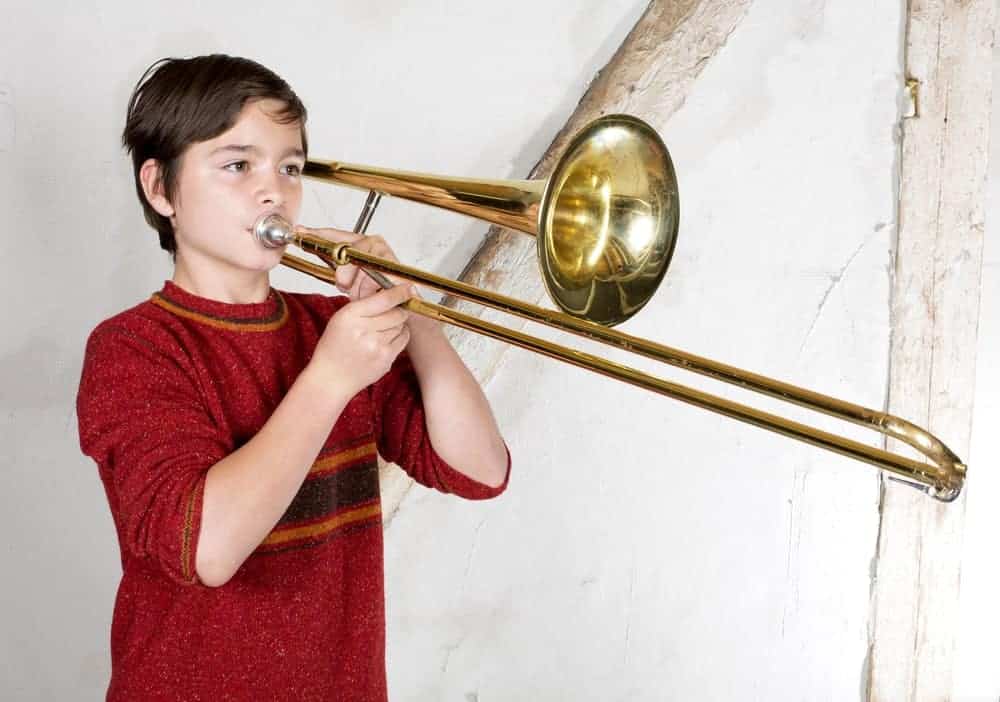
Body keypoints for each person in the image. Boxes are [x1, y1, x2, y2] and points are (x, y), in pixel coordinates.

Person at [76, 54, 510, 701]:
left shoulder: (333, 328)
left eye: (290, 167)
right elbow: (207, 550)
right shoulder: (133, 348)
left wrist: (413, 311)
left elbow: (480, 469)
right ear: (160, 188)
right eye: (237, 165)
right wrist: (330, 378)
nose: (273, 191)